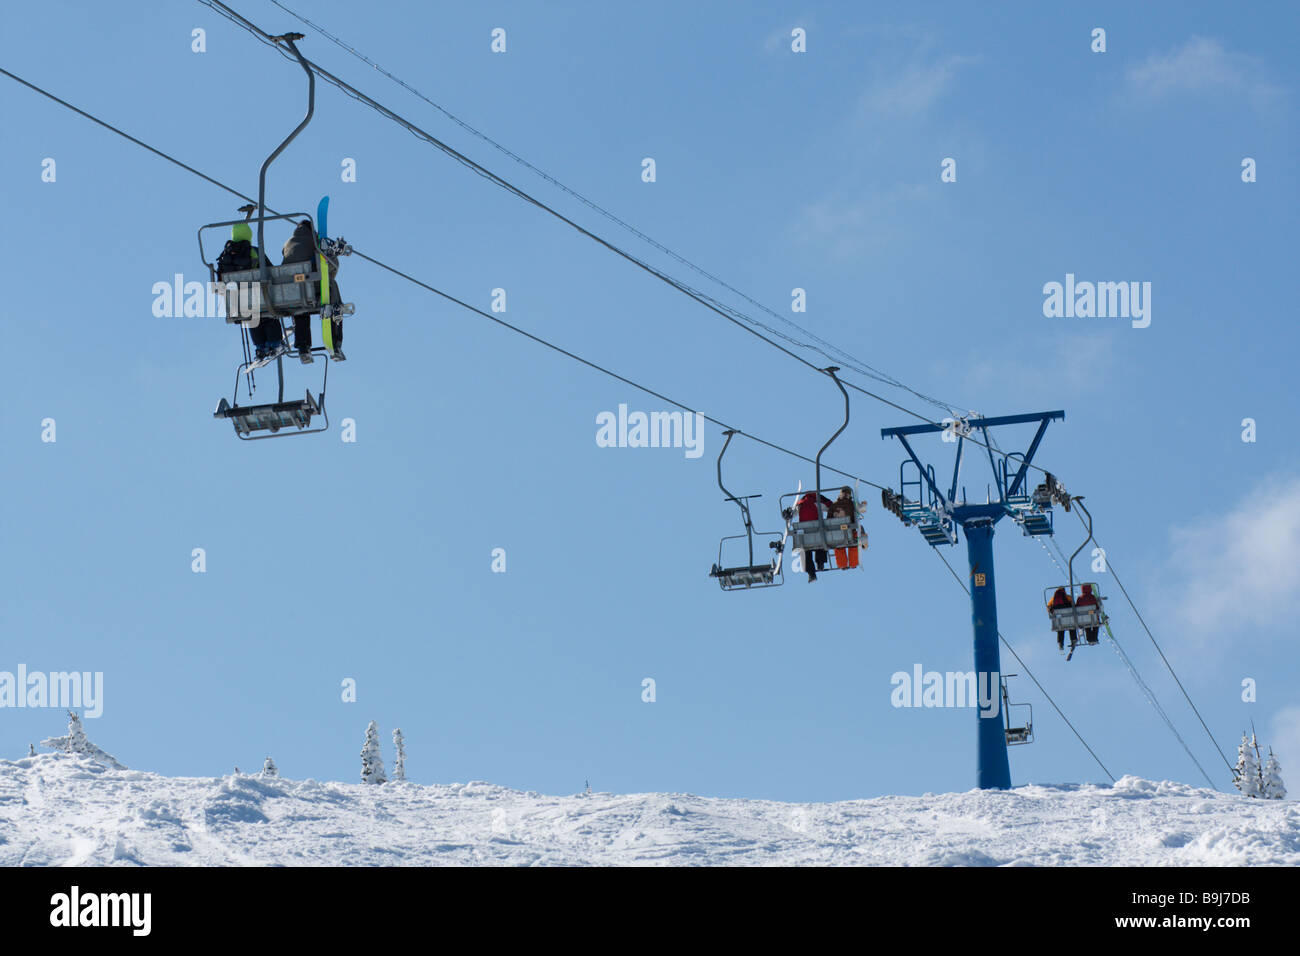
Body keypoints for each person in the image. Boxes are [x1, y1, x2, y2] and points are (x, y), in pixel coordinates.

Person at [216, 222, 286, 363]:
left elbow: (219, 278)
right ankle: (275, 343)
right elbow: (269, 269)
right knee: (269, 315)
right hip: (259, 294)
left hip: (238, 300)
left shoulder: (224, 256)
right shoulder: (254, 252)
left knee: (252, 318)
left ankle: (260, 348)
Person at [282, 219, 345, 363]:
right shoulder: (316, 243)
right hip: (313, 286)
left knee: (300, 307)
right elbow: (332, 265)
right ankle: (335, 341)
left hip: (290, 292)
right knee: (332, 288)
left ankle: (303, 347)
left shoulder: (287, 245)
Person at [796, 490, 833, 582]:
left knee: (805, 550)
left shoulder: (801, 503)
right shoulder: (818, 500)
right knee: (821, 543)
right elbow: (830, 507)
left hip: (804, 532)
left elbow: (793, 513)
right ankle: (820, 563)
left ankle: (811, 574)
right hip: (817, 529)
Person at [827, 486, 861, 570]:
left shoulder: (833, 505)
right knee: (854, 543)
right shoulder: (852, 505)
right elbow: (856, 517)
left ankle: (842, 564)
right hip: (850, 532)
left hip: (837, 534)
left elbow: (828, 520)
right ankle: (853, 563)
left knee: (839, 547)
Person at [1048, 586, 1076, 652]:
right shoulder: (1068, 597)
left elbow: (1048, 607)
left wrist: (1052, 612)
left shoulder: (1053, 599)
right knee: (1071, 626)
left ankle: (1060, 643)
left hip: (1059, 620)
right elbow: (1074, 606)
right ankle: (1073, 639)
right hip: (1069, 619)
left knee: (1060, 629)